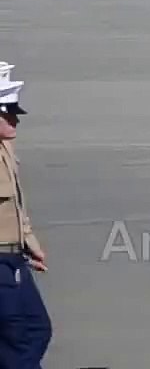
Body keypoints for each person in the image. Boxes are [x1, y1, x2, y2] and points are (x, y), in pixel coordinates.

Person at [0, 78, 52, 367]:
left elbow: (14, 206)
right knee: (28, 335)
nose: (15, 120)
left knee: (28, 333)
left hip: (11, 258)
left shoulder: (4, 149)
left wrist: (25, 243)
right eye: (8, 113)